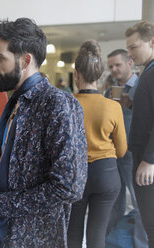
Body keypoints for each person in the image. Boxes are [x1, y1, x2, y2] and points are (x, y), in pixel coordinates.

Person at [0, 18, 87, 247]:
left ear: (25, 60)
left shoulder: (57, 104)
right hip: (0, 231)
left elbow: (68, 187)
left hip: (33, 238)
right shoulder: (16, 101)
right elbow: (11, 172)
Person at [67, 40, 127, 248]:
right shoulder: (112, 107)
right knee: (97, 235)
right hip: (106, 174)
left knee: (73, 234)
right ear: (101, 75)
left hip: (75, 175)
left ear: (76, 74)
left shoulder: (67, 104)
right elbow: (122, 150)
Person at [104, 49, 148, 247]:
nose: (114, 70)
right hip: (114, 155)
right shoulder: (109, 91)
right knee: (114, 200)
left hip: (135, 154)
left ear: (129, 63)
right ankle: (108, 240)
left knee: (141, 204)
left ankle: (142, 243)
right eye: (111, 66)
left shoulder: (142, 86)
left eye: (117, 65)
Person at [125, 21, 154, 247]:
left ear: (151, 42)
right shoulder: (148, 71)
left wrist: (149, 160)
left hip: (148, 162)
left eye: (133, 47)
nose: (130, 53)